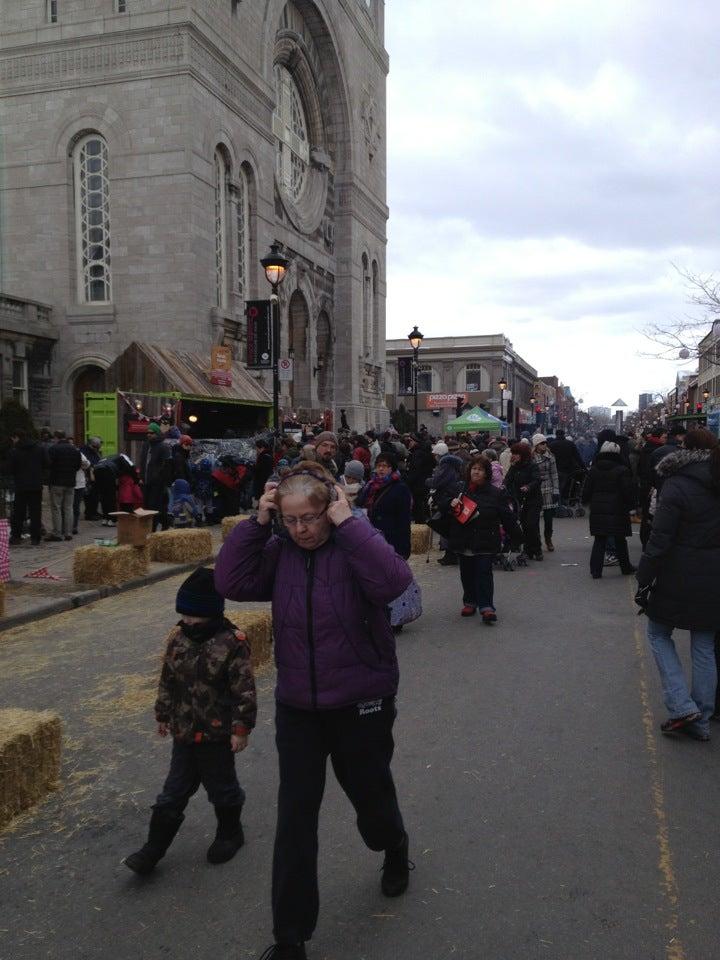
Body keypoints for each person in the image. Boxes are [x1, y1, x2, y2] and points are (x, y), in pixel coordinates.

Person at [214, 465, 413, 960]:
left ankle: (393, 846)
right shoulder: (278, 552)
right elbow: (230, 579)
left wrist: (351, 525)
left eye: (310, 517)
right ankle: (290, 937)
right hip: (300, 705)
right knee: (295, 819)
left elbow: (394, 582)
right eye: (290, 519)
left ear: (331, 508)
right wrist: (256, 525)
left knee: (370, 795)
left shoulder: (352, 545)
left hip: (361, 700)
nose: (301, 529)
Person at [123, 567, 256, 874]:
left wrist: (240, 729)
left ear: (210, 612)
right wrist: (163, 713)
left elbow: (244, 690)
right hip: (184, 732)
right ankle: (152, 849)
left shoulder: (231, 643)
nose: (187, 621)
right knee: (173, 791)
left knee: (221, 788)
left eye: (193, 615)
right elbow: (168, 679)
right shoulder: (179, 640)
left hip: (217, 734)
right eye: (183, 614)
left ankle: (230, 833)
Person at [636, 428, 720, 742]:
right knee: (704, 645)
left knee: (658, 634)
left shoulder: (676, 483)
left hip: (678, 572)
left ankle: (682, 706)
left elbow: (660, 538)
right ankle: (701, 716)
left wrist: (644, 578)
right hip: (714, 574)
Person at [439, 457, 520, 624]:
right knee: (467, 573)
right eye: (473, 468)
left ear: (486, 474)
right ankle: (470, 601)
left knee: (484, 573)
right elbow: (441, 502)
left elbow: (507, 516)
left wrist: (517, 536)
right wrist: (450, 502)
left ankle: (486, 607)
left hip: (486, 539)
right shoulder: (459, 488)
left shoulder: (496, 493)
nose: (476, 472)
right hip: (464, 538)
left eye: (480, 469)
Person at [581, 441, 636, 578]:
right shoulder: (622, 470)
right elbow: (627, 491)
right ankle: (625, 567)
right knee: (620, 539)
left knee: (599, 540)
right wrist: (632, 505)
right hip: (618, 509)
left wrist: (586, 502)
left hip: (598, 508)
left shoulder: (594, 469)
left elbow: (587, 489)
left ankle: (595, 570)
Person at [356, 452, 412, 559]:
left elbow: (404, 519)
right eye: (378, 466)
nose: (381, 469)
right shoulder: (370, 485)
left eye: (385, 466)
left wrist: (404, 547)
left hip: (389, 539)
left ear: (392, 468)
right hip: (369, 537)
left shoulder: (400, 488)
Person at [427, 442, 464, 565]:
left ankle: (450, 554)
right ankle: (451, 553)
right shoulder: (452, 464)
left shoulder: (445, 465)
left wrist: (428, 481)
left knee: (445, 525)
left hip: (446, 496)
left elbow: (438, 481)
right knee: (449, 525)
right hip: (452, 494)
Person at [8, 429, 46, 546]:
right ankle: (35, 538)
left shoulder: (14, 451)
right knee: (35, 512)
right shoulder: (39, 448)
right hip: (36, 485)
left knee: (19, 513)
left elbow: (10, 468)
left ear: (17, 437)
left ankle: (16, 537)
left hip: (21, 485)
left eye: (13, 439)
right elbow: (47, 463)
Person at [504, 442, 543, 560]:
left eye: (516, 453)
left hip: (533, 500)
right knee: (525, 525)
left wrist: (528, 487)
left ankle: (537, 549)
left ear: (523, 454)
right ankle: (528, 550)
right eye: (513, 453)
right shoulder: (514, 467)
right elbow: (507, 480)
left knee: (531, 524)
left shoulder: (532, 466)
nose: (514, 456)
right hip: (519, 500)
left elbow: (537, 480)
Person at [46, 431, 81, 541]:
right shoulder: (74, 450)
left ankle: (57, 532)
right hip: (70, 482)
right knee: (68, 507)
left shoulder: (53, 449)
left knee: (56, 507)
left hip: (56, 481)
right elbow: (77, 466)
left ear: (56, 438)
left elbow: (48, 464)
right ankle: (68, 532)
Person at [140, 422, 172, 530]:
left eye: (152, 433)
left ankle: (152, 529)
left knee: (154, 506)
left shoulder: (163, 447)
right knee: (147, 505)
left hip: (157, 483)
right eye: (148, 432)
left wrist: (160, 479)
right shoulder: (146, 445)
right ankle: (163, 523)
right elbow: (143, 462)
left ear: (157, 433)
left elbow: (166, 466)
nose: (149, 435)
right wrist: (141, 477)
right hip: (146, 481)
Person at [532, 434, 559, 552]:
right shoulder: (531, 457)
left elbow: (554, 474)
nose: (544, 445)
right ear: (536, 445)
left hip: (548, 488)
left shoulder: (550, 456)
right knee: (535, 518)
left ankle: (548, 539)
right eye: (542, 443)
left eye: (545, 443)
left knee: (548, 518)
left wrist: (556, 490)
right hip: (535, 488)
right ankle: (536, 541)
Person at [548, 429, 584, 504]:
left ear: (556, 434)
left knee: (556, 488)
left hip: (555, 470)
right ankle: (562, 504)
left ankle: (557, 505)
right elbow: (577, 457)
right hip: (567, 471)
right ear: (564, 434)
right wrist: (583, 468)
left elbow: (548, 458)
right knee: (564, 488)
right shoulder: (570, 444)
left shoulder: (552, 445)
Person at [405, 434, 435, 524]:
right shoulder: (424, 452)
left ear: (416, 442)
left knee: (418, 506)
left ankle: (421, 525)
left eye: (410, 441)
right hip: (424, 483)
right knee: (422, 504)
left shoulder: (418, 453)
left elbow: (415, 471)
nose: (409, 443)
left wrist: (408, 482)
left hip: (418, 484)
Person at [80, 436, 103, 520]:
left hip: (95, 476)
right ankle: (89, 513)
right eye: (96, 447)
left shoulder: (95, 451)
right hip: (88, 477)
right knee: (90, 496)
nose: (97, 449)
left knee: (96, 495)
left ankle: (94, 511)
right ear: (91, 445)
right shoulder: (84, 451)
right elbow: (87, 463)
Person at [72, 446, 91, 535]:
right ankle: (74, 526)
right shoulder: (78, 453)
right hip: (78, 483)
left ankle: (71, 526)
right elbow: (87, 464)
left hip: (75, 483)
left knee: (71, 506)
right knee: (75, 506)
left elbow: (87, 464)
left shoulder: (78, 453)